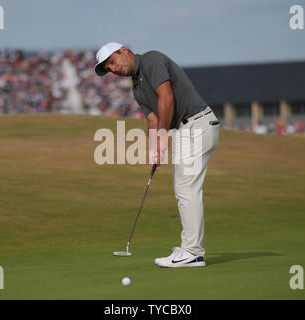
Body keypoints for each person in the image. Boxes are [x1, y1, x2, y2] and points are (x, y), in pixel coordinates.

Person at [94, 42, 220, 268]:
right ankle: (190, 249)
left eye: (112, 62)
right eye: (108, 69)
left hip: (197, 124)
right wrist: (155, 148)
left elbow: (167, 97)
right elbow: (152, 119)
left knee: (186, 189)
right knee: (183, 189)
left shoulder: (152, 59)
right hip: (185, 130)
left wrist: (162, 137)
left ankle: (192, 252)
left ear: (124, 50)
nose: (113, 69)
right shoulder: (136, 87)